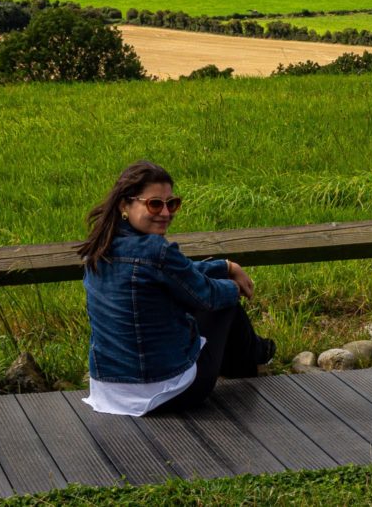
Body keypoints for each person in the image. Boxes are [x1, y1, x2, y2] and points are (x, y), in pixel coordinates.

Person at [78, 160, 274, 416]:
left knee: (214, 295)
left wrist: (225, 266)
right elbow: (207, 296)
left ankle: (257, 353)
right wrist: (234, 287)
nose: (166, 213)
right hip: (165, 393)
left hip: (109, 393)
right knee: (224, 303)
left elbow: (180, 273)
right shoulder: (155, 250)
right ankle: (258, 355)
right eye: (155, 204)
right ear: (125, 204)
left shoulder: (98, 249)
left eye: (172, 204)